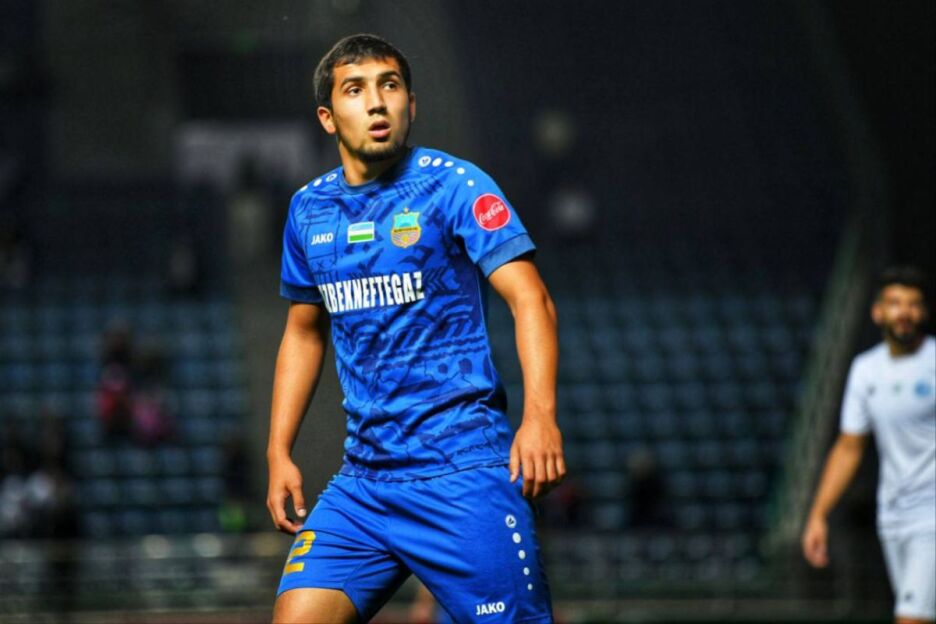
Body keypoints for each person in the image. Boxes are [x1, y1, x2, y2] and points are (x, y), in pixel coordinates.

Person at [266, 34, 564, 623]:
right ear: (327, 117)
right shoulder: (307, 210)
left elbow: (531, 299)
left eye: (390, 85)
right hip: (363, 484)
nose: (377, 102)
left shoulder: (455, 186)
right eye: (355, 90)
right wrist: (279, 451)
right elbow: (303, 332)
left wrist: (540, 417)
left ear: (411, 104)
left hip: (463, 474)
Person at [802, 266, 935, 624]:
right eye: (895, 303)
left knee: (911, 618)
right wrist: (818, 514)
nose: (904, 312)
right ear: (878, 312)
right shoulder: (866, 370)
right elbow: (849, 446)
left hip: (931, 517)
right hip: (893, 515)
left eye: (913, 304)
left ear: (923, 312)